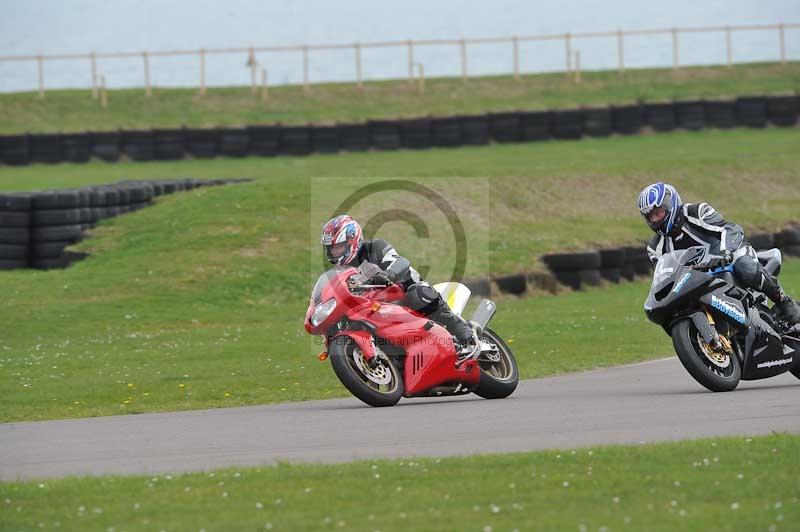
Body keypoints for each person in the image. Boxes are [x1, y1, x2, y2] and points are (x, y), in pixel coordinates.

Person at [637, 182, 800, 324]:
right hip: (696, 280)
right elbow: (664, 277)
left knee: (746, 268)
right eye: (650, 216)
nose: (655, 219)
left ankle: (785, 302)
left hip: (729, 258)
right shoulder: (654, 248)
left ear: (670, 205)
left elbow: (729, 229)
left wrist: (726, 252)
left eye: (658, 212)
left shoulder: (697, 212)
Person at [321, 214, 478, 357]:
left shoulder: (374, 248)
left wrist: (388, 275)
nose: (334, 253)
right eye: (331, 249)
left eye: (338, 247)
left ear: (352, 240)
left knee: (418, 295)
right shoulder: (341, 273)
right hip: (378, 310)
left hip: (404, 292)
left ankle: (465, 334)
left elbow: (401, 262)